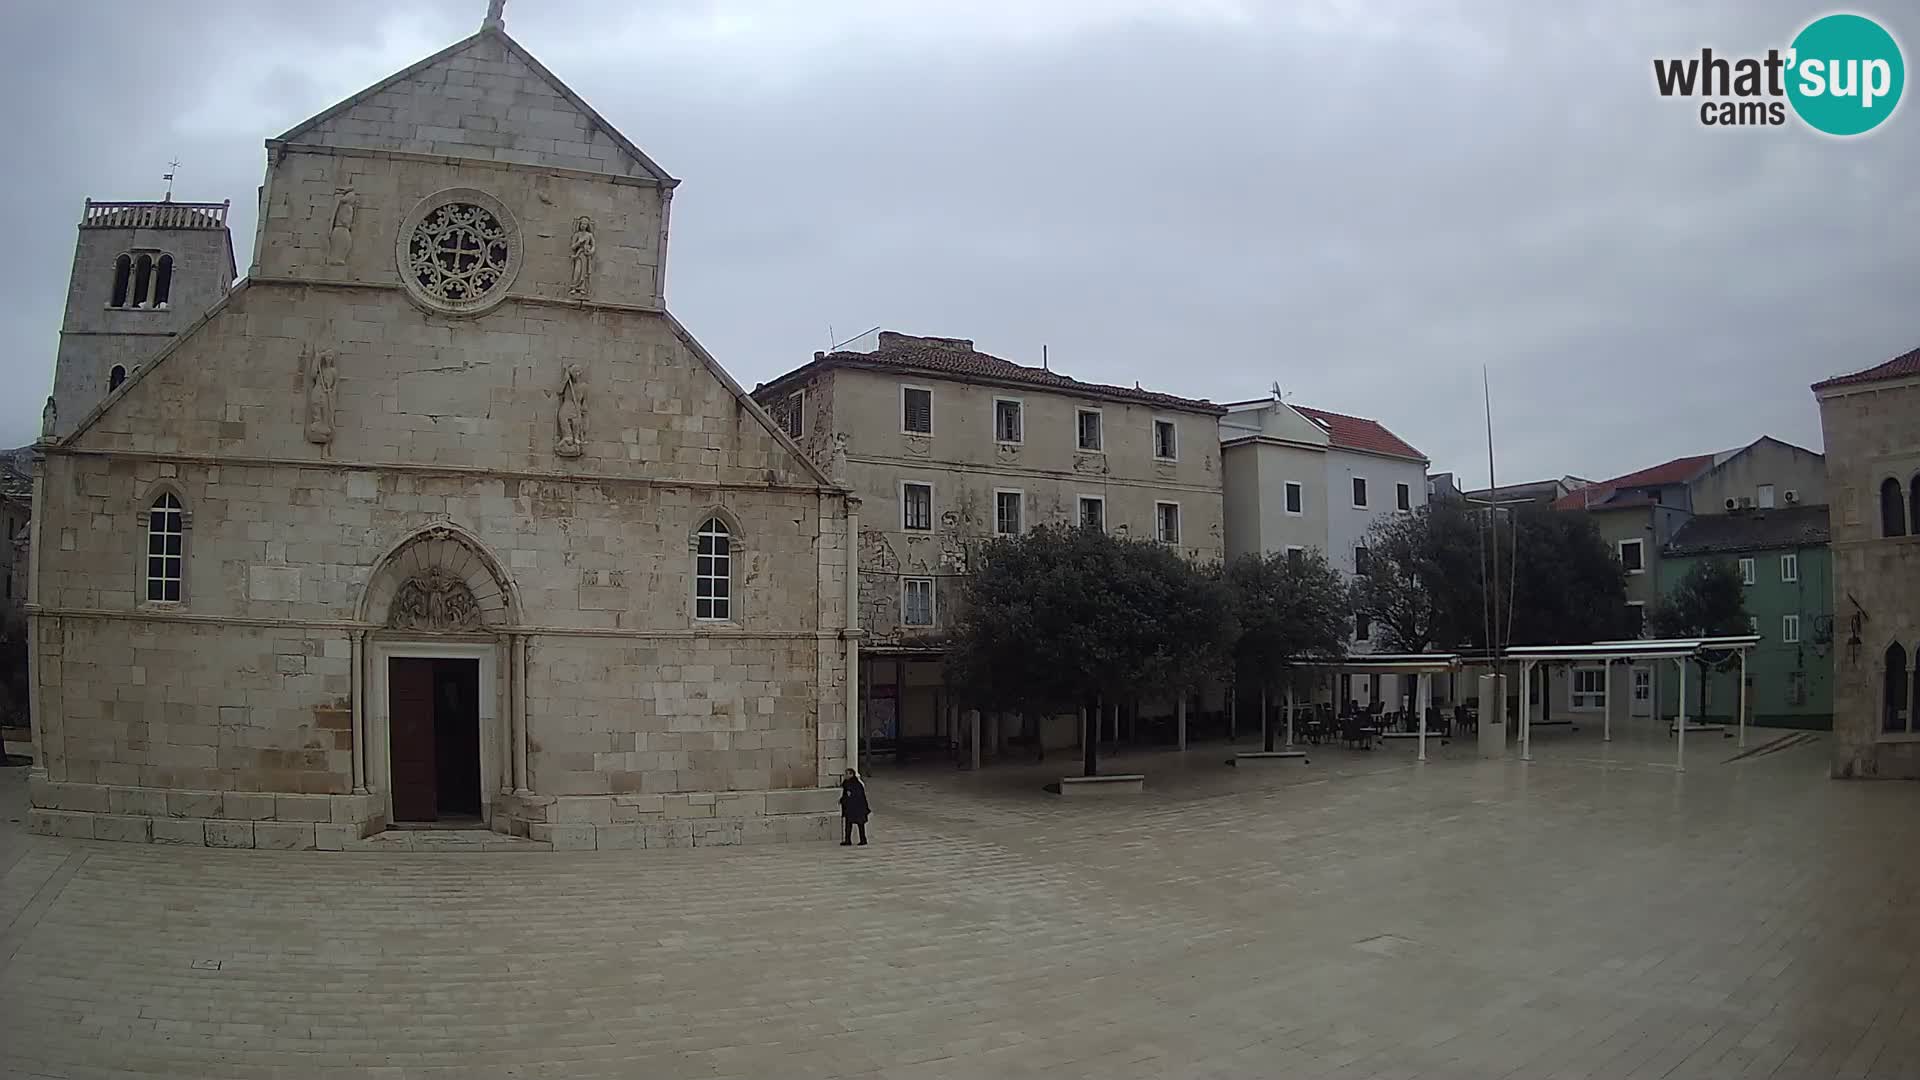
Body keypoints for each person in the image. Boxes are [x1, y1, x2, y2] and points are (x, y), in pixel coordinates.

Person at [839, 768, 870, 846]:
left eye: (847, 774)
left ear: (851, 774)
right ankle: (847, 840)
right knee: (848, 824)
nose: (845, 775)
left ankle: (863, 839)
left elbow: (858, 796)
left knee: (860, 824)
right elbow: (846, 794)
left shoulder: (857, 784)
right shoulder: (846, 783)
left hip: (858, 807)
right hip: (849, 808)